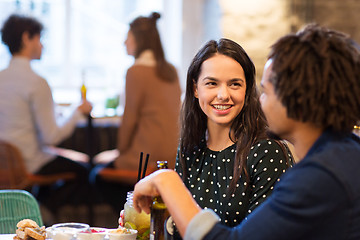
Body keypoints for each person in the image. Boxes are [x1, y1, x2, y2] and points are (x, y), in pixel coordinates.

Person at [132, 24, 360, 240]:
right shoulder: (344, 153)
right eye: (211, 83)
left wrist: (166, 180)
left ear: (296, 101)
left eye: (266, 92)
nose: (260, 101)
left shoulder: (318, 176)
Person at [173, 38, 293, 229]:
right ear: (196, 89)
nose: (223, 95)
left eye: (234, 84)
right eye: (212, 83)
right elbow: (180, 226)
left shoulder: (267, 152)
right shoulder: (189, 148)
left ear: (247, 91)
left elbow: (263, 234)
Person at [0, 14, 92, 212]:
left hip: (5, 163)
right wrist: (77, 113)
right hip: (29, 162)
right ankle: (42, 210)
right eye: (39, 39)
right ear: (26, 38)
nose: (42, 45)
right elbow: (51, 136)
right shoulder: (36, 82)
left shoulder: (2, 78)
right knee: (86, 172)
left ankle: (35, 209)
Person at [91, 12, 181, 213]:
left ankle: (133, 214)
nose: (124, 42)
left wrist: (119, 152)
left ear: (138, 40)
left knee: (96, 175)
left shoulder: (135, 71)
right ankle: (145, 216)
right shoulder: (171, 71)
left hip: (146, 156)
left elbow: (129, 121)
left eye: (128, 37)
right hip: (172, 157)